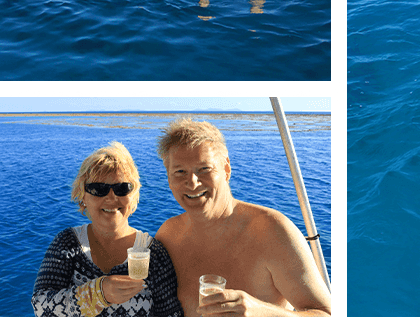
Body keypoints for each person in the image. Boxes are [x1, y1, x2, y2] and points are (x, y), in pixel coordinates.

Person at [155, 118, 331, 317]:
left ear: (226, 169)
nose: (193, 183)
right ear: (169, 178)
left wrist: (261, 311)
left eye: (204, 169)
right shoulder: (168, 234)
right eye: (179, 172)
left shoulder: (273, 231)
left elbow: (325, 313)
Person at [32, 142, 183, 317]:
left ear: (133, 196)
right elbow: (40, 306)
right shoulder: (67, 243)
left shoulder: (153, 253)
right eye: (98, 189)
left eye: (122, 188)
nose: (111, 198)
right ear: (83, 197)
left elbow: (171, 314)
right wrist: (98, 293)